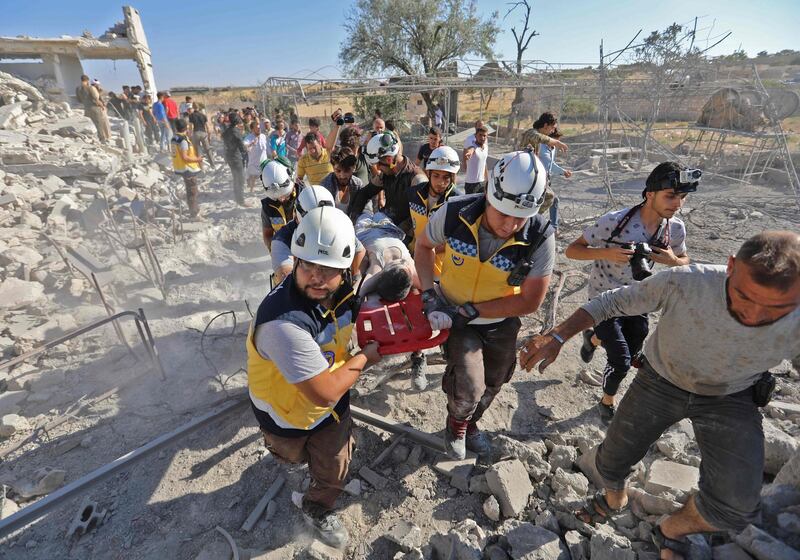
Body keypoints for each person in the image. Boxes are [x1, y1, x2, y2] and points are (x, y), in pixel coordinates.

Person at [519, 231, 800, 558]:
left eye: (775, 309)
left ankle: (671, 529)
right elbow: (611, 302)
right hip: (661, 380)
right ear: (730, 266)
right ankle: (614, 498)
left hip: (732, 397)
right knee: (610, 462)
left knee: (736, 507)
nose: (753, 316)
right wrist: (557, 336)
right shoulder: (688, 282)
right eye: (743, 296)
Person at [247, 205, 382, 548]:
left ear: (345, 268)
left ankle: (316, 506)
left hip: (330, 412)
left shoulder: (345, 290)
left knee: (334, 468)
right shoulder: (283, 322)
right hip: (285, 416)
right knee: (292, 456)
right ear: (296, 258)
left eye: (328, 268)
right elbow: (323, 392)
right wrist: (365, 357)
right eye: (307, 264)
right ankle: (296, 459)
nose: (316, 277)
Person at [415, 149, 556, 459]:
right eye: (503, 213)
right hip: (453, 313)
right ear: (490, 195)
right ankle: (457, 425)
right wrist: (429, 295)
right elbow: (423, 247)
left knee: (495, 380)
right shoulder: (455, 213)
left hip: (499, 319)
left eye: (520, 217)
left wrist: (475, 311)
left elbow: (531, 299)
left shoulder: (539, 235)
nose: (510, 225)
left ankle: (470, 422)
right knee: (469, 382)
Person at [566, 162, 693, 424]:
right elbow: (572, 250)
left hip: (639, 300)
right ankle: (607, 401)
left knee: (634, 350)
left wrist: (672, 260)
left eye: (681, 197)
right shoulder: (614, 222)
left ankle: (592, 340)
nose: (677, 204)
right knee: (622, 361)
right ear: (650, 194)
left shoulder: (675, 229)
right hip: (603, 300)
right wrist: (606, 252)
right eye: (670, 196)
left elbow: (685, 261)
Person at [404, 145, 459, 390]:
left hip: (447, 271)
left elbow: (459, 242)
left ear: (453, 178)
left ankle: (453, 364)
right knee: (418, 314)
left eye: (446, 177)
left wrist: (434, 249)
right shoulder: (414, 194)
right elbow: (410, 224)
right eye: (436, 175)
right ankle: (419, 358)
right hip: (417, 266)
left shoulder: (458, 202)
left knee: (449, 320)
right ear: (429, 172)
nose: (440, 181)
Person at [271, 185, 365, 286]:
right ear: (298, 215)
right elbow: (285, 273)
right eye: (314, 222)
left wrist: (356, 277)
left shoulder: (337, 228)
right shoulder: (281, 239)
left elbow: (359, 250)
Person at [347, 132, 427, 240]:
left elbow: (421, 217)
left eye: (378, 164)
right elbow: (364, 193)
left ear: (389, 159)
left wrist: (404, 237)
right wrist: (354, 217)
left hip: (405, 236)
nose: (378, 169)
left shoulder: (417, 180)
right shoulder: (385, 174)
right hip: (385, 225)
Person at [537, 127, 572, 231]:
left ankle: (550, 226)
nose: (557, 143)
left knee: (549, 201)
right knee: (553, 200)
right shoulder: (541, 148)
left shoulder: (552, 148)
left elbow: (551, 165)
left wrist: (563, 171)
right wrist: (563, 171)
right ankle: (552, 227)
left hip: (546, 180)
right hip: (538, 180)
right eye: (556, 141)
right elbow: (548, 163)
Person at [260, 159, 298, 251]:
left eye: (285, 194)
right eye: (276, 196)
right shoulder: (267, 207)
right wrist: (275, 249)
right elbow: (267, 235)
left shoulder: (305, 197)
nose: (281, 199)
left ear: (291, 177)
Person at [171, 118, 204, 219]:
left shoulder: (174, 138)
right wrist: (198, 159)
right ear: (186, 127)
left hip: (180, 167)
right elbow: (185, 157)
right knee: (192, 191)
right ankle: (194, 213)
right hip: (188, 169)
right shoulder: (183, 141)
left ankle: (193, 209)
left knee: (190, 190)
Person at [319, 147, 365, 214]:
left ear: (354, 168)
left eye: (347, 170)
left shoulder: (358, 185)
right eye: (338, 171)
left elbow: (364, 209)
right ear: (333, 168)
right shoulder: (325, 186)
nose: (342, 176)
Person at [75, 74, 110, 143]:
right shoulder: (90, 88)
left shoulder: (77, 89)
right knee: (100, 123)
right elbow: (96, 98)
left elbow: (79, 100)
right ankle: (103, 139)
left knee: (96, 124)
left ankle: (102, 138)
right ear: (87, 80)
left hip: (87, 108)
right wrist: (102, 106)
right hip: (95, 108)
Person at [222, 113, 248, 205]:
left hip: (229, 156)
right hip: (236, 157)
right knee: (240, 179)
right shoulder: (236, 131)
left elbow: (224, 140)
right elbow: (242, 147)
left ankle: (237, 198)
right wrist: (247, 149)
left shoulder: (227, 131)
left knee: (235, 177)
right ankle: (241, 200)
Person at [463, 124, 489, 194]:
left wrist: (487, 179)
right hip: (471, 184)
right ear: (475, 136)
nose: (482, 137)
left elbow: (484, 163)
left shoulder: (486, 147)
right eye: (480, 135)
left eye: (484, 136)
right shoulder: (473, 146)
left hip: (482, 183)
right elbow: (471, 149)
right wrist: (469, 153)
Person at [245, 121, 269, 193]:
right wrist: (252, 143)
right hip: (254, 162)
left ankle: (266, 189)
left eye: (259, 128)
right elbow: (245, 146)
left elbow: (267, 147)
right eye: (257, 128)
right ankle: (251, 190)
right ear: (252, 129)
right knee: (253, 177)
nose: (259, 129)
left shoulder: (263, 136)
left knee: (266, 176)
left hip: (263, 160)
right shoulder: (249, 137)